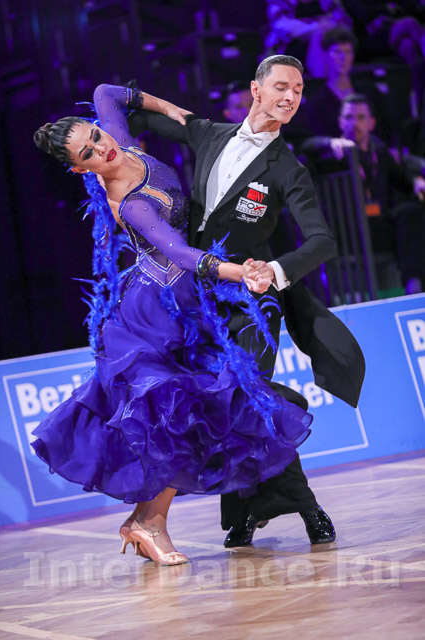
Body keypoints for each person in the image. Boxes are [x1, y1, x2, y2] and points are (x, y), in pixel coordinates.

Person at [31, 84, 317, 566]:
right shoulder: (131, 203)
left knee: (191, 417)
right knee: (175, 418)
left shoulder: (122, 142)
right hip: (154, 315)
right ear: (80, 170)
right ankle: (150, 523)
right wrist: (241, 272)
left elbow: (105, 93)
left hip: (185, 306)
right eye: (89, 153)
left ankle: (145, 522)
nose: (103, 147)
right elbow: (182, 254)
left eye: (96, 136)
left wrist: (166, 107)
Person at [128, 54, 365, 548]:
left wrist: (273, 272)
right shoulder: (209, 134)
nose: (290, 97)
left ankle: (305, 507)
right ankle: (252, 510)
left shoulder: (287, 168)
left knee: (246, 397)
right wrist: (116, 146)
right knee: (226, 411)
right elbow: (134, 117)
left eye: (298, 90)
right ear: (255, 90)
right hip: (197, 302)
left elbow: (323, 241)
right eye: (281, 86)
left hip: (253, 305)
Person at [301, 93, 425, 294]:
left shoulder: (379, 151)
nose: (354, 124)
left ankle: (414, 282)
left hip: (380, 225)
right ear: (340, 122)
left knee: (410, 212)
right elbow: (306, 147)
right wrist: (328, 142)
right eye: (349, 117)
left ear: (371, 123)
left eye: (360, 118)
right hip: (351, 229)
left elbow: (402, 179)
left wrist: (416, 181)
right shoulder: (334, 154)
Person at [306, 27, 393, 144]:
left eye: (348, 52)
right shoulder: (318, 103)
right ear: (326, 55)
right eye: (337, 52)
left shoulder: (370, 92)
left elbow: (387, 127)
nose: (343, 58)